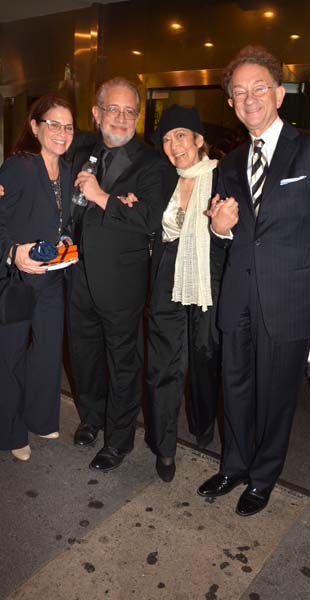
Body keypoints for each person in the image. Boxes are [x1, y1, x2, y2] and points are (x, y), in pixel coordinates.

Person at [198, 45, 310, 516]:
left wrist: (309, 286)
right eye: (239, 91)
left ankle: (263, 475)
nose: (249, 98)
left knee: (274, 395)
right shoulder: (228, 164)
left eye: (259, 88)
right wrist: (218, 229)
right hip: (239, 298)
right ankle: (234, 465)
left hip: (290, 301)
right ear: (229, 101)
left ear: (279, 94)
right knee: (236, 386)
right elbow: (228, 235)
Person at [68, 77, 165, 472]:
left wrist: (102, 197)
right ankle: (91, 418)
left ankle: (119, 438)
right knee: (84, 355)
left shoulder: (151, 163)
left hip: (121, 283)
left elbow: (148, 218)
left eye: (130, 112)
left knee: (123, 362)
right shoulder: (81, 151)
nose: (121, 119)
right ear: (96, 113)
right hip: (77, 277)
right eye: (114, 109)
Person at [143, 104, 237, 482]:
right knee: (163, 365)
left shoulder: (224, 177)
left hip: (209, 282)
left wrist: (220, 230)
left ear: (199, 140)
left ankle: (202, 424)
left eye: (180, 135)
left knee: (203, 356)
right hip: (167, 278)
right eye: (166, 139)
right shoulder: (162, 178)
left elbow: (239, 237)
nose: (173, 145)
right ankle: (164, 448)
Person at [0, 94, 75, 461]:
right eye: (54, 124)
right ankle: (11, 431)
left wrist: (66, 239)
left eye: (68, 126)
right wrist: (13, 252)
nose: (62, 132)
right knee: (9, 355)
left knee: (47, 351)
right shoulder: (19, 167)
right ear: (35, 127)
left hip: (52, 279)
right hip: (15, 278)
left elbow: (66, 218)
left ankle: (40, 416)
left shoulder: (69, 171)